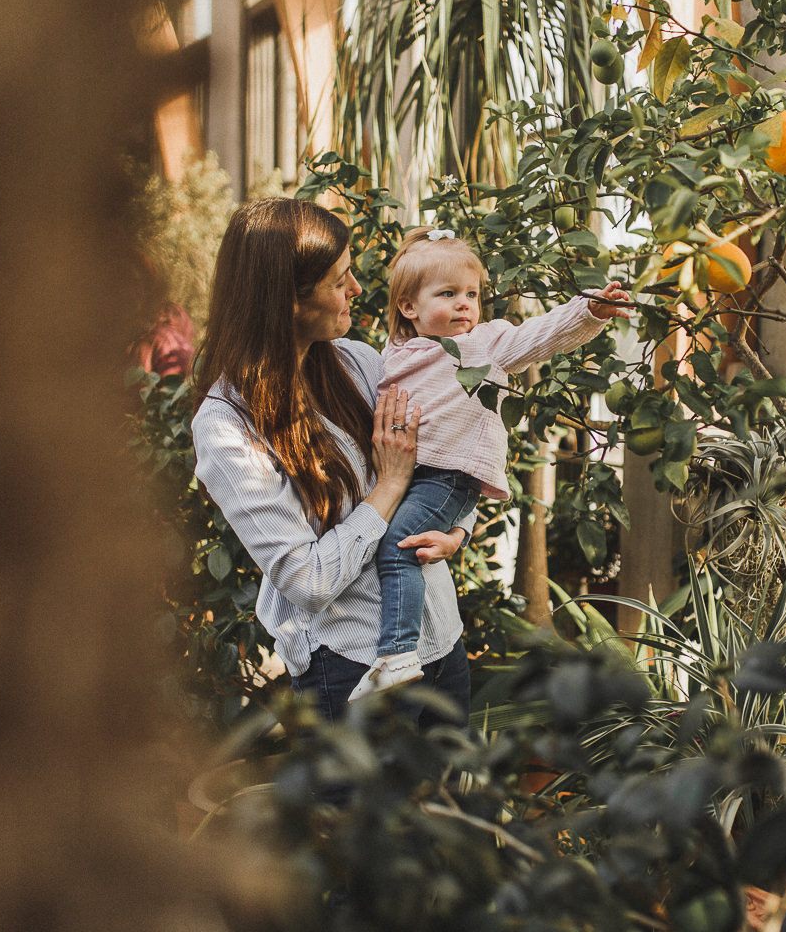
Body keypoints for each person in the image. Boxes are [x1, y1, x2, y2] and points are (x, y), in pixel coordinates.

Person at [189, 198, 475, 724]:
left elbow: (449, 461)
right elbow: (308, 583)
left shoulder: (362, 364)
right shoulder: (228, 425)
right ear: (288, 301)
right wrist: (388, 487)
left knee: (451, 805)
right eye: (340, 279)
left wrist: (459, 533)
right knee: (360, 811)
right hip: (350, 668)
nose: (358, 290)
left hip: (441, 643)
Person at [349, 227, 632, 701]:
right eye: (449, 294)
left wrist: (589, 311)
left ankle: (396, 656)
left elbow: (540, 336)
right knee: (400, 545)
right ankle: (399, 653)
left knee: (396, 546)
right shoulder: (394, 355)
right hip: (419, 479)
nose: (465, 304)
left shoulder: (485, 344)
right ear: (408, 307)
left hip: (447, 478)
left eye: (472, 294)